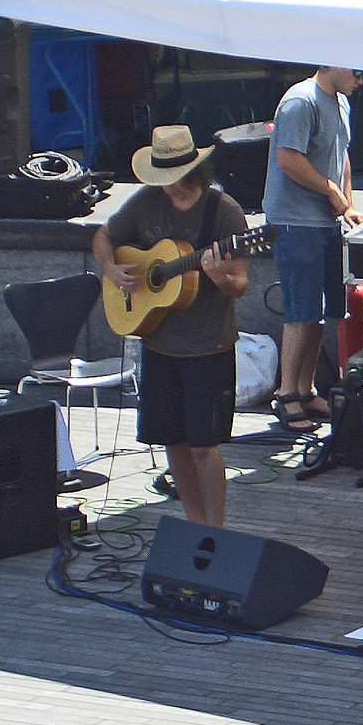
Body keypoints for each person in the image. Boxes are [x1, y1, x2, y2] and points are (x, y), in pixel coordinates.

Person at [93, 125, 250, 527]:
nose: (167, 189)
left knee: (203, 446)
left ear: (194, 172)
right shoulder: (147, 201)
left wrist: (216, 275)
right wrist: (110, 269)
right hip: (158, 341)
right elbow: (104, 235)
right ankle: (194, 524)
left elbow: (240, 285)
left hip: (207, 347)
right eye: (160, 180)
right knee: (173, 443)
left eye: (174, 181)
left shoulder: (224, 212)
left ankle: (216, 530)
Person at [263, 65, 363, 431]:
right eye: (356, 71)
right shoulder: (299, 102)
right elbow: (288, 159)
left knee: (323, 311)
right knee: (301, 311)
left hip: (327, 223)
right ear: (332, 62)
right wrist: (330, 191)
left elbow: (342, 157)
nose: (360, 80)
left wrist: (348, 204)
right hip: (295, 222)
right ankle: (286, 393)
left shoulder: (341, 102)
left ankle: (306, 390)